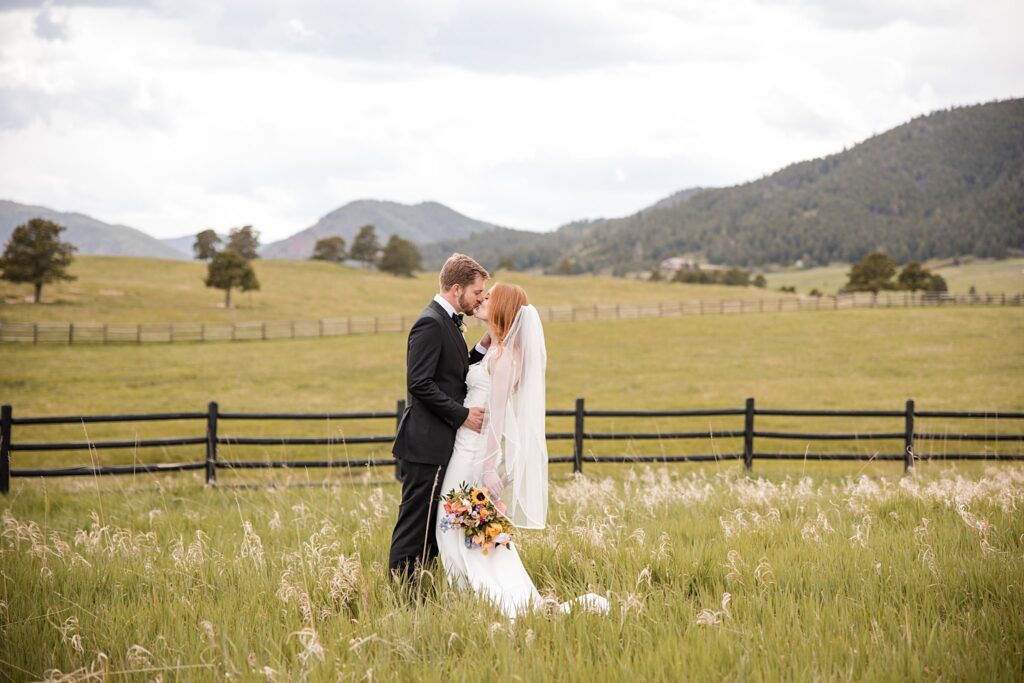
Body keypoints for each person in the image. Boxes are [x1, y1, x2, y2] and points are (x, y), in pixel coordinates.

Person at [435, 282, 609, 618]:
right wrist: (484, 342)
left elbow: (496, 420)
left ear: (502, 309)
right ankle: (475, 597)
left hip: (474, 454)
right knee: (462, 529)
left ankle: (497, 601)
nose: (483, 300)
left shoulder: (504, 359)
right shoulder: (496, 351)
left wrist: (486, 471)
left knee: (458, 527)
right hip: (464, 447)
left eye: (490, 297)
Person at [388, 253, 491, 580]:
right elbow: (419, 383)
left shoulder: (447, 322)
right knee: (415, 523)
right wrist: (462, 415)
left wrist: (485, 344)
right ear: (456, 288)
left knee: (433, 523)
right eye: (477, 292)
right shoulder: (429, 322)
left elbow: (454, 372)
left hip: (439, 443)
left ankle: (423, 584)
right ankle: (402, 593)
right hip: (424, 443)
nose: (480, 300)